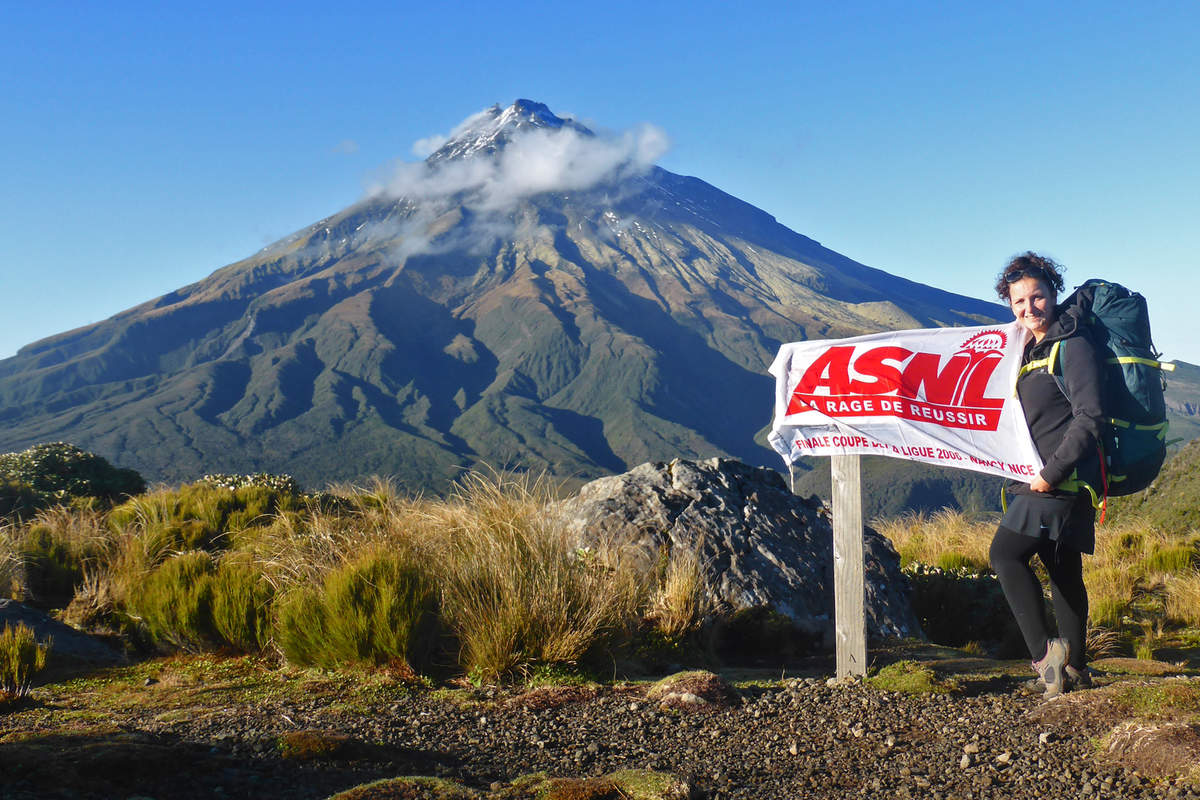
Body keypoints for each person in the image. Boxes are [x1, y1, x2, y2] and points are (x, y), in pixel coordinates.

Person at [989, 252, 1103, 699]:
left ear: (1054, 296)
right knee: (1062, 571)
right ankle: (1075, 668)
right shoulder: (1026, 348)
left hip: (1056, 483)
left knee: (1005, 556)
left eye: (1037, 297)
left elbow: (1090, 417)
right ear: (1009, 304)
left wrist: (1050, 475)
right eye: (1019, 301)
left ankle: (1044, 659)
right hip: (1050, 483)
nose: (1029, 308)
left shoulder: (1073, 345)